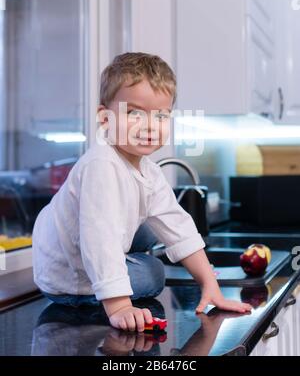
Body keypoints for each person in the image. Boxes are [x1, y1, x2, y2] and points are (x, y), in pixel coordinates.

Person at [32, 52, 252, 333]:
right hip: (67, 276)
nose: (149, 126)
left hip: (77, 244)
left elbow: (178, 226)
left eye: (161, 115)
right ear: (105, 117)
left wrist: (211, 285)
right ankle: (108, 281)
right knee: (153, 273)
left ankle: (120, 266)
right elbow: (99, 238)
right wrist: (119, 305)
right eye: (134, 113)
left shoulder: (148, 170)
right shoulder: (102, 164)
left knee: (152, 223)